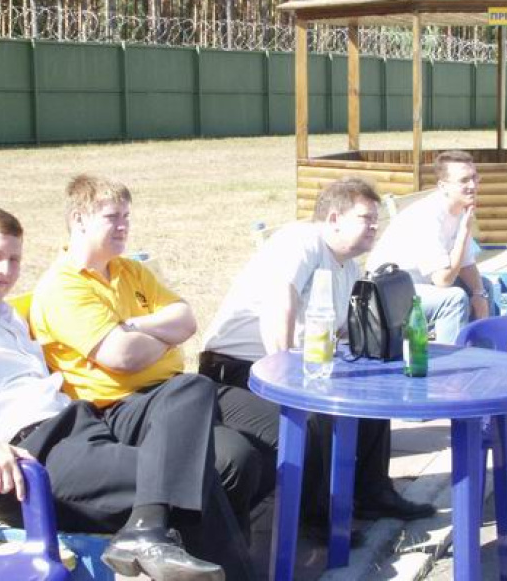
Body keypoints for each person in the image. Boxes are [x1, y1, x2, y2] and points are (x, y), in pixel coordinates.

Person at [0, 206, 239, 581]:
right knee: (198, 480)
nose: (5, 270)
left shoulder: (4, 314)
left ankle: (146, 532)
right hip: (27, 463)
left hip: (80, 428)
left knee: (193, 392)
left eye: (14, 259)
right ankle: (159, 539)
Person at [29, 175, 278, 555]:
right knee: (234, 459)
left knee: (283, 428)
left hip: (179, 392)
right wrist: (165, 337)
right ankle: (214, 555)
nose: (123, 226)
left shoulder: (130, 270)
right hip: (123, 407)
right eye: (112, 217)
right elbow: (122, 357)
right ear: (79, 219)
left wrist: (134, 326)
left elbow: (186, 320)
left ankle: (263, 533)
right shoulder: (64, 285)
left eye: (126, 216)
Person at [200, 177, 437, 526]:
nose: (374, 226)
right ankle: (318, 518)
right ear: (334, 219)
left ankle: (373, 493)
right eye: (366, 218)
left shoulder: (348, 266)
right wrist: (288, 380)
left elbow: (338, 330)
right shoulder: (302, 241)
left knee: (369, 390)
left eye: (376, 219)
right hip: (239, 368)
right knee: (315, 413)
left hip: (295, 361)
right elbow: (280, 304)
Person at [366, 150, 490, 344]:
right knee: (454, 299)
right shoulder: (429, 216)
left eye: (475, 178)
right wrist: (464, 232)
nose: (472, 186)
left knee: (483, 287)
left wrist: (479, 294)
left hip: (418, 286)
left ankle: (484, 356)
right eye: (464, 180)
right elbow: (443, 280)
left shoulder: (459, 210)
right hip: (386, 293)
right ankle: (451, 360)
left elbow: (465, 264)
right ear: (443, 186)